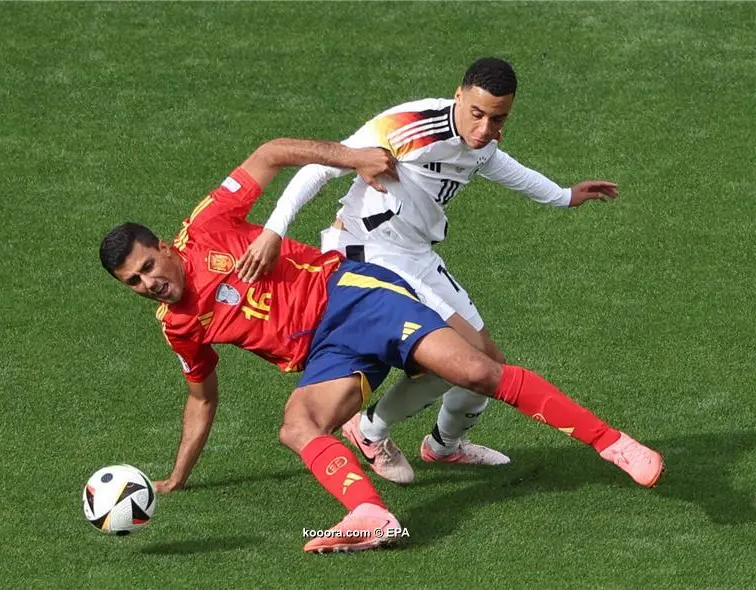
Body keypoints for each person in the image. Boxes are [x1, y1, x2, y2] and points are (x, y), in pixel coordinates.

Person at [100, 137, 663, 554]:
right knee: (297, 425)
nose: (149, 282)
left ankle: (614, 444)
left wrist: (354, 158)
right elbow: (201, 399)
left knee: (477, 370)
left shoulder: (206, 227)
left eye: (149, 266)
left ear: (164, 247)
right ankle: (368, 513)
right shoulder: (178, 324)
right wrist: (178, 475)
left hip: (353, 296)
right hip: (327, 355)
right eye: (134, 282)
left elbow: (270, 153)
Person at [235, 57, 619, 484]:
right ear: (459, 95)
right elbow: (320, 167)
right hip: (368, 255)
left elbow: (501, 167)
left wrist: (564, 196)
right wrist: (273, 230)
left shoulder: (483, 141)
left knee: (489, 364)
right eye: (477, 114)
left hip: (415, 254)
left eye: (497, 118)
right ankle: (369, 431)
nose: (484, 129)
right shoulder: (408, 126)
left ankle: (443, 448)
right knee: (460, 362)